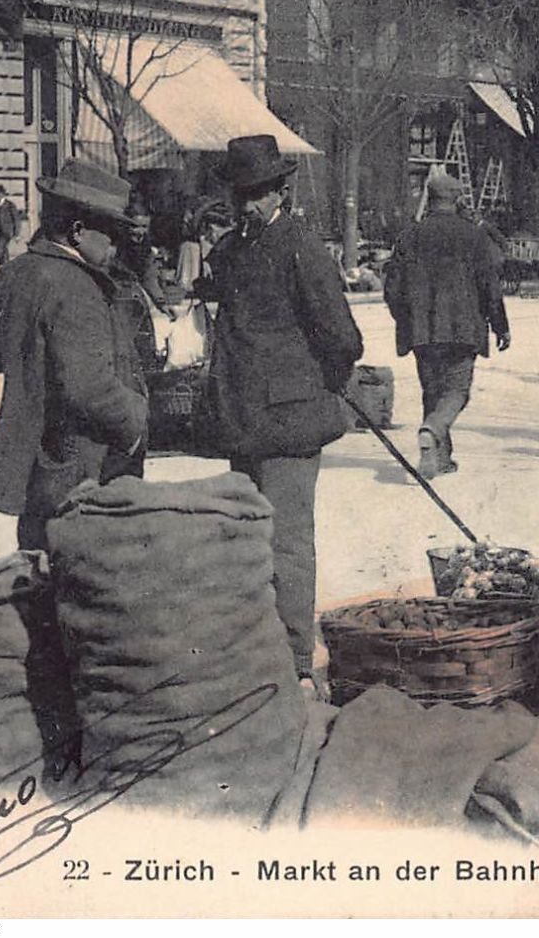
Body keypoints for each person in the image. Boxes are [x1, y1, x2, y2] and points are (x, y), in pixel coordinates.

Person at [198, 135, 364, 696]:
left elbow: (343, 336)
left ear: (279, 191)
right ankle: (257, 649)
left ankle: (295, 662)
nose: (246, 205)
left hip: (290, 421)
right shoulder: (237, 247)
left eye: (256, 194)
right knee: (249, 536)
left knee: (288, 542)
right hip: (243, 415)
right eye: (239, 195)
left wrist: (324, 378)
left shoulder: (301, 246)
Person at [0, 160, 148, 550]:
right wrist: (136, 421)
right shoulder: (77, 286)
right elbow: (89, 388)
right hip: (82, 469)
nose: (115, 247)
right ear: (77, 231)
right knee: (83, 584)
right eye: (110, 234)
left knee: (38, 573)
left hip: (33, 465)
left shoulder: (13, 273)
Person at [385, 172, 511, 478]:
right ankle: (435, 428)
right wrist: (500, 326)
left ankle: (440, 458)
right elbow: (490, 285)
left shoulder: (409, 236)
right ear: (457, 200)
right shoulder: (475, 236)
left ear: (429, 197)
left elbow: (392, 288)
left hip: (422, 330)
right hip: (463, 329)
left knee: (432, 390)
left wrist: (407, 318)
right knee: (457, 391)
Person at [0, 184, 21, 267]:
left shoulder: (10, 205)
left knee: (0, 251)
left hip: (7, 232)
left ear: (1, 194)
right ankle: (6, 267)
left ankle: (0, 266)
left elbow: (16, 219)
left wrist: (17, 234)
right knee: (4, 250)